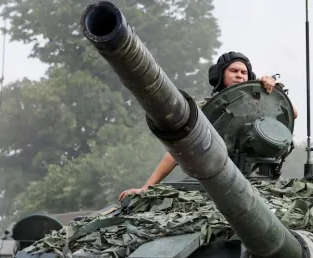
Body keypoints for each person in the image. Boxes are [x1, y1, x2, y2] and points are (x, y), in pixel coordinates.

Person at [119, 52, 299, 201]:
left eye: (244, 72)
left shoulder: (260, 105)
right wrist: (147, 187)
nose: (239, 75)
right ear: (221, 75)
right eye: (233, 70)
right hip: (216, 182)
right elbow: (177, 152)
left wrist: (274, 90)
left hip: (261, 182)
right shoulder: (204, 110)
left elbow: (292, 113)